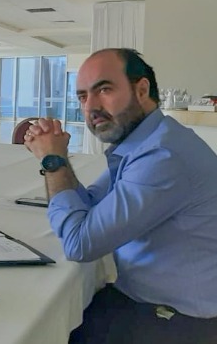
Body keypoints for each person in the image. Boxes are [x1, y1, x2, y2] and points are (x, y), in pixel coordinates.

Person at [24, 48, 217, 344]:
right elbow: (91, 204)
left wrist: (54, 160)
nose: (91, 107)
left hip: (179, 324)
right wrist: (56, 158)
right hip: (144, 301)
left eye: (104, 89)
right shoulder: (149, 143)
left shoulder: (163, 156)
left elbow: (79, 243)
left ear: (141, 90)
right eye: (83, 97)